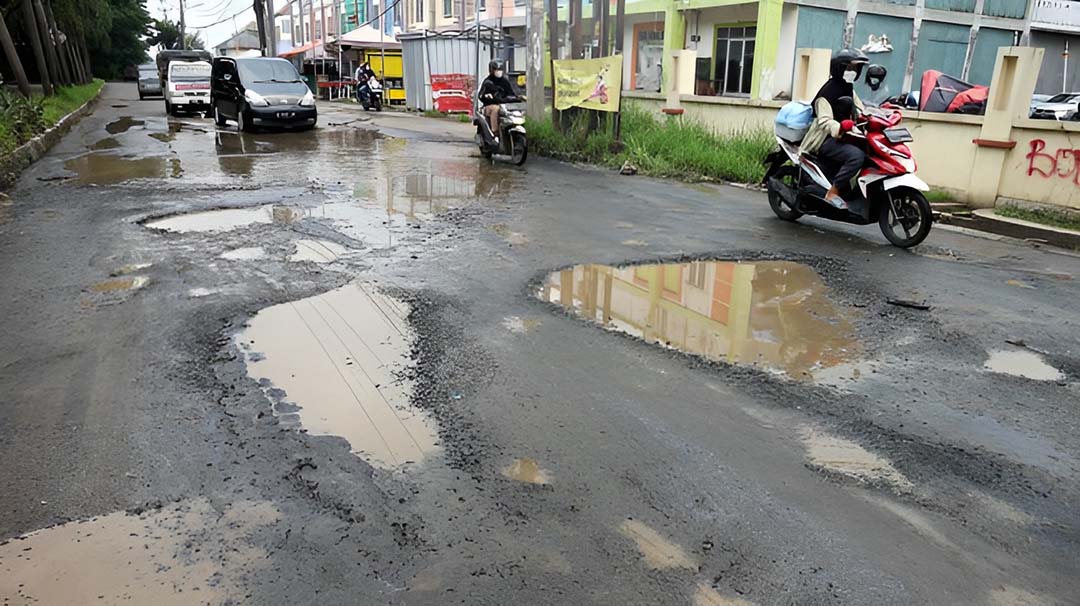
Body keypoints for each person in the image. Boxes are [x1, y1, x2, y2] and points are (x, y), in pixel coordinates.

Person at [801, 49, 869, 209]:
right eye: (850, 68)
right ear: (840, 68)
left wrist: (876, 115)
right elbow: (824, 121)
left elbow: (861, 109)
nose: (853, 72)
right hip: (825, 140)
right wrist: (840, 127)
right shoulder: (827, 93)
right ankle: (832, 192)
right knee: (856, 157)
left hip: (846, 136)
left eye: (856, 69)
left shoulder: (848, 88)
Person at [478, 60, 520, 143]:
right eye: (496, 70)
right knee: (495, 108)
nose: (499, 72)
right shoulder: (487, 82)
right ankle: (495, 133)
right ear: (491, 70)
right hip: (489, 106)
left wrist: (516, 98)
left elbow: (511, 93)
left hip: (504, 105)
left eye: (500, 70)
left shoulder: (505, 81)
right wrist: (488, 97)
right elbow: (481, 96)